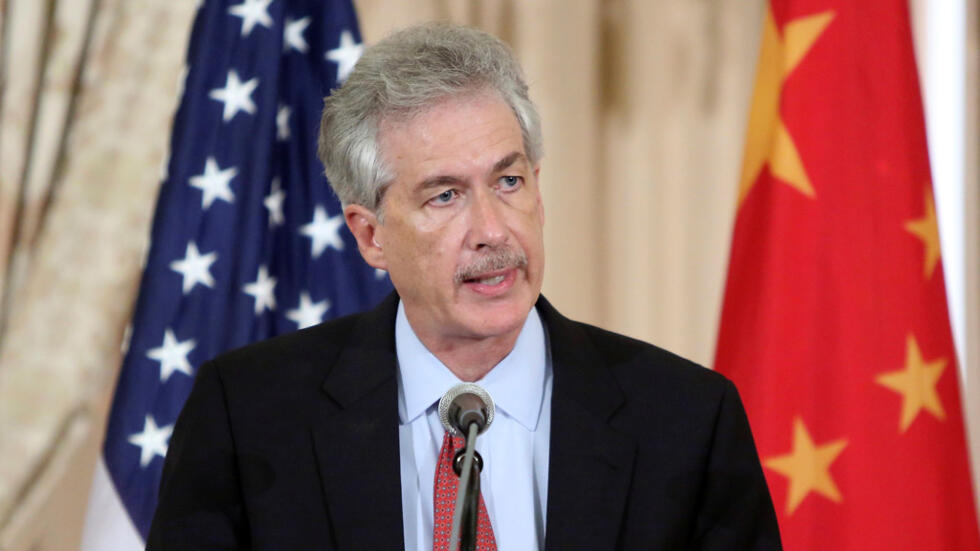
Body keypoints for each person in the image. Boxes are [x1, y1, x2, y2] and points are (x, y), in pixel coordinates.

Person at [147, 22, 781, 550]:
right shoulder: (249, 416)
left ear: (537, 190)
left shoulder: (686, 421)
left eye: (508, 182)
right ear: (370, 236)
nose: (492, 230)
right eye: (445, 196)